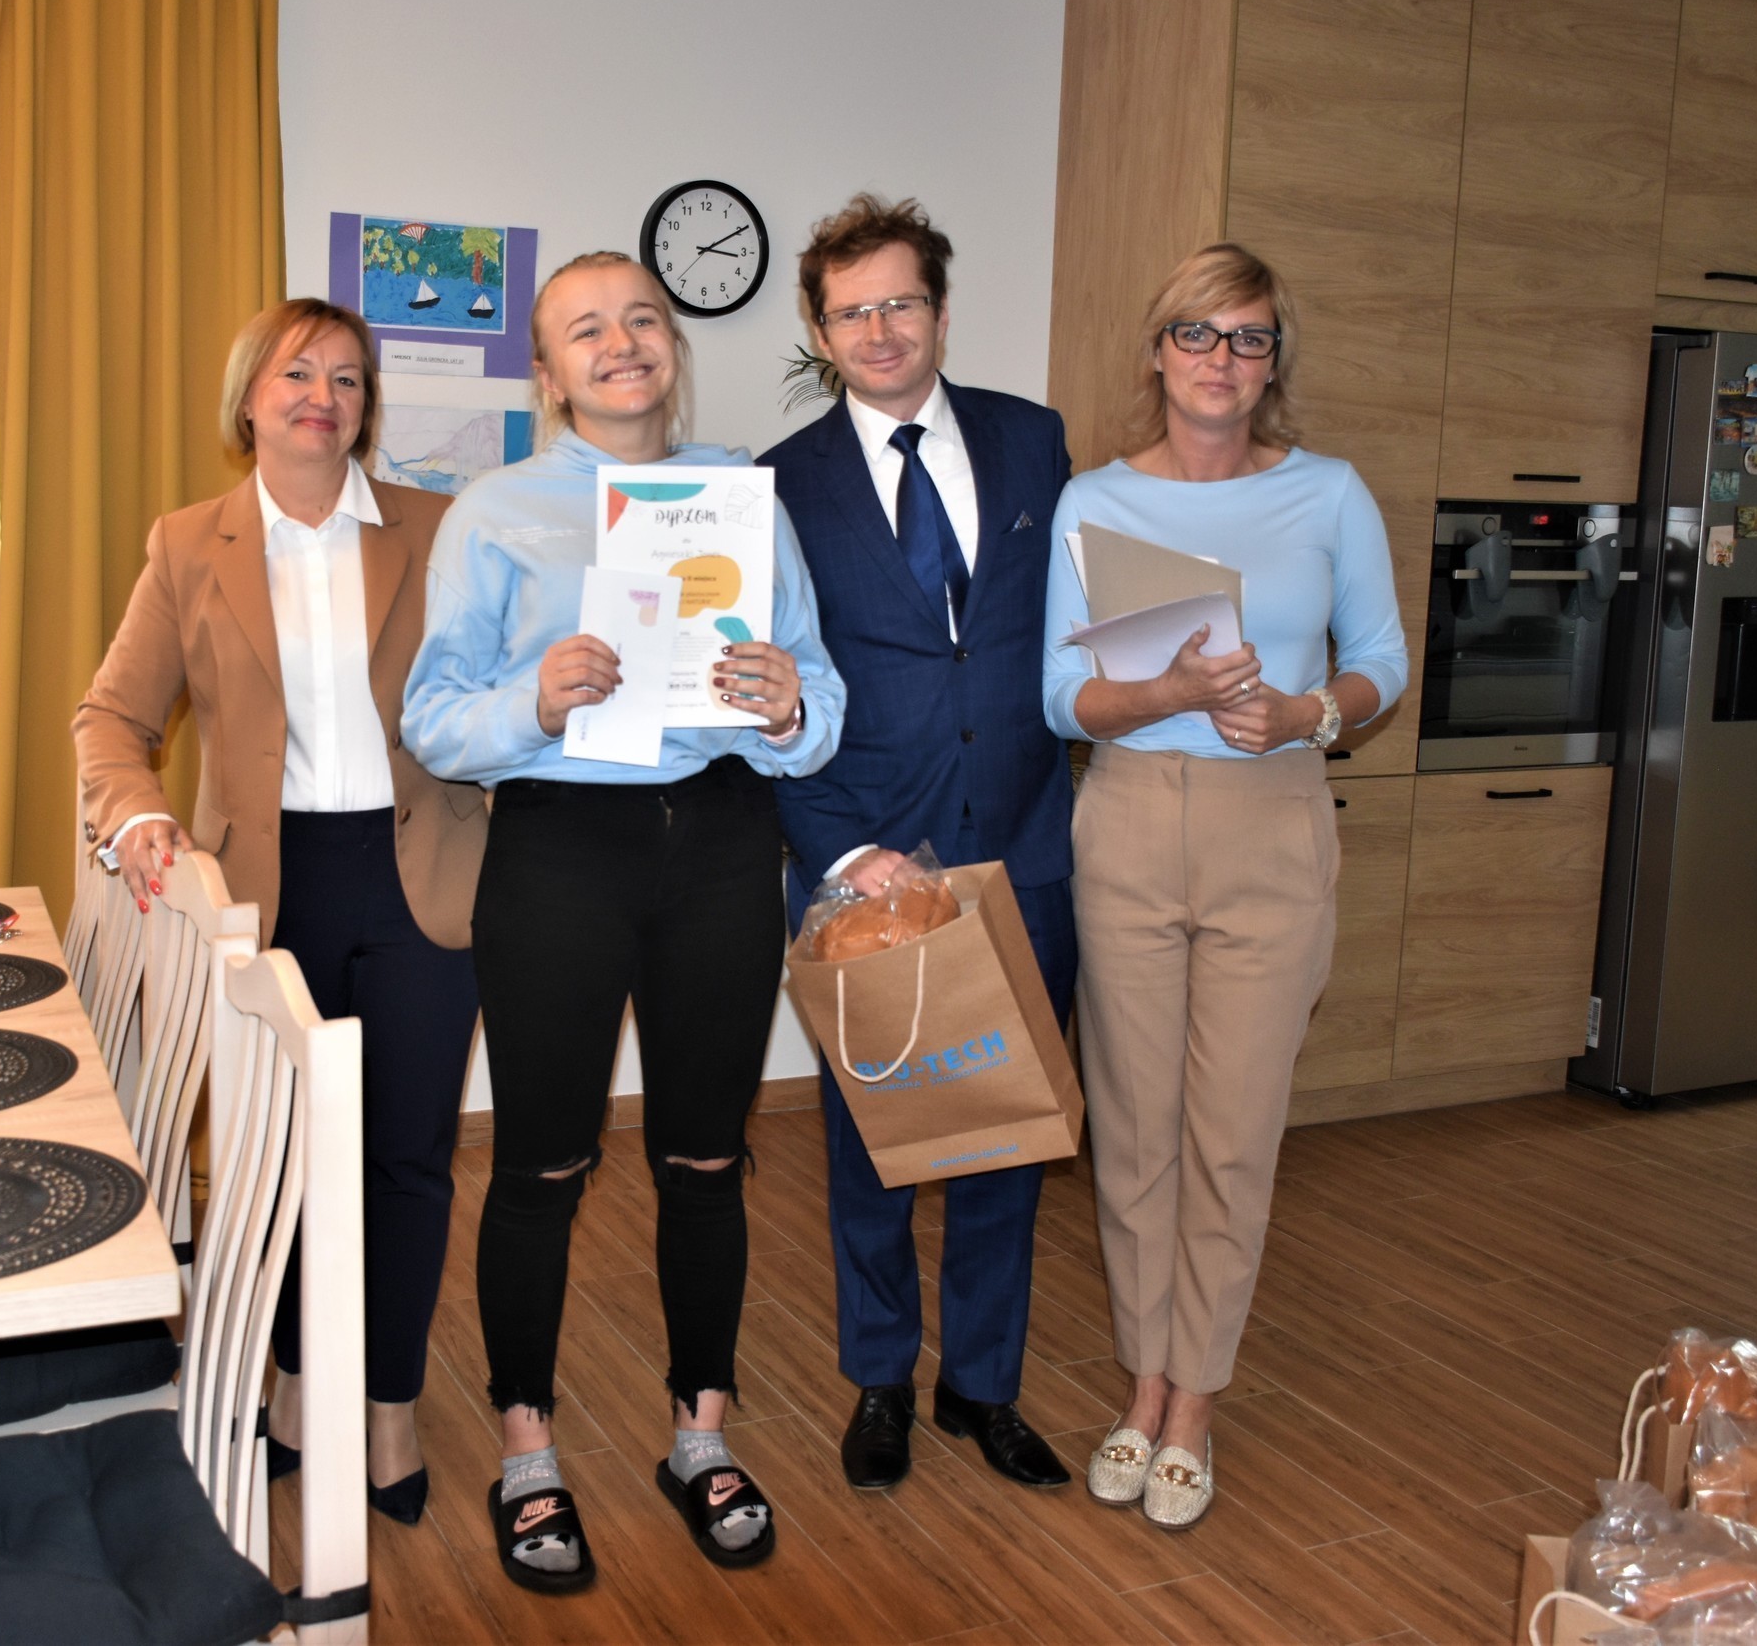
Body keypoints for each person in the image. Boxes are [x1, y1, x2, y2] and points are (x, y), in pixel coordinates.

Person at [403, 250, 844, 1594]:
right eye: (586, 329)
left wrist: (787, 703)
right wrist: (533, 701)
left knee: (707, 1156)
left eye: (641, 319)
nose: (622, 343)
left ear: (672, 346)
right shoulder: (494, 510)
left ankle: (700, 1434)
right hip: (560, 850)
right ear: (550, 373)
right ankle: (527, 1448)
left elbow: (819, 699)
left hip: (719, 842)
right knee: (540, 1164)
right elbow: (433, 718)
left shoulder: (741, 500)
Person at [72, 297, 485, 1526]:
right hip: (269, 889)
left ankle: (391, 1402)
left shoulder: (437, 530)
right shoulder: (187, 544)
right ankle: (300, 1383)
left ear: (366, 408)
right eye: (298, 374)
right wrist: (136, 817)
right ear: (249, 398)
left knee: (406, 1158)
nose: (323, 397)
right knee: (293, 1160)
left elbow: (493, 693)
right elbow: (111, 720)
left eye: (347, 379)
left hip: (423, 878)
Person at [1042, 243, 1406, 1527]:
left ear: (1271, 362)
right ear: (1158, 353)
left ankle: (1194, 1401)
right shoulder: (1091, 500)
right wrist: (1167, 691)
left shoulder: (1328, 493)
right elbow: (1060, 696)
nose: (1221, 359)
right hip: (1131, 818)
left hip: (1271, 826)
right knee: (1134, 1132)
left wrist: (1309, 712)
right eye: (1197, 333)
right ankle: (1142, 1383)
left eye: (1249, 338)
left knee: (1232, 1136)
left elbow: (1382, 661)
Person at [759, 195, 1079, 1496]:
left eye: (900, 302)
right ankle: (881, 1379)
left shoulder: (1033, 440)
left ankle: (983, 1387)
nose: (880, 329)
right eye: (852, 311)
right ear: (821, 332)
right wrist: (843, 852)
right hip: (864, 858)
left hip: (1024, 846)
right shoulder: (779, 483)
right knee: (869, 1141)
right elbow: (768, 689)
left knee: (1010, 1133)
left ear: (940, 312)